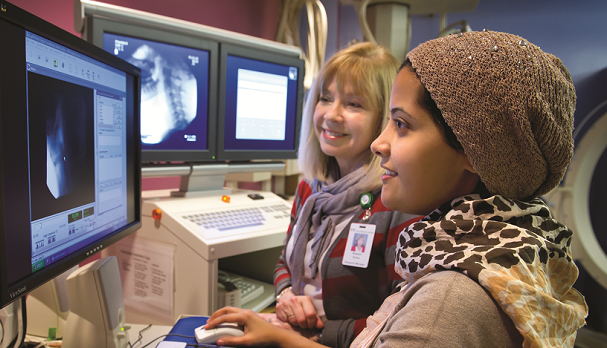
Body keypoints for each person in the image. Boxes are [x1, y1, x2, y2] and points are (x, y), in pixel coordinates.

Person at [205, 30, 589, 348]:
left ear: (476, 151)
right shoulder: (466, 247)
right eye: (325, 97)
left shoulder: (448, 300)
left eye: (401, 124)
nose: (378, 143)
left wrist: (302, 334)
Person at [270, 41, 422, 348]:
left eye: (353, 104)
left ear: (383, 118)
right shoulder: (310, 189)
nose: (332, 115)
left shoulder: (395, 200)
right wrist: (286, 295)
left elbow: (400, 314)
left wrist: (319, 333)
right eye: (326, 98)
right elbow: (284, 262)